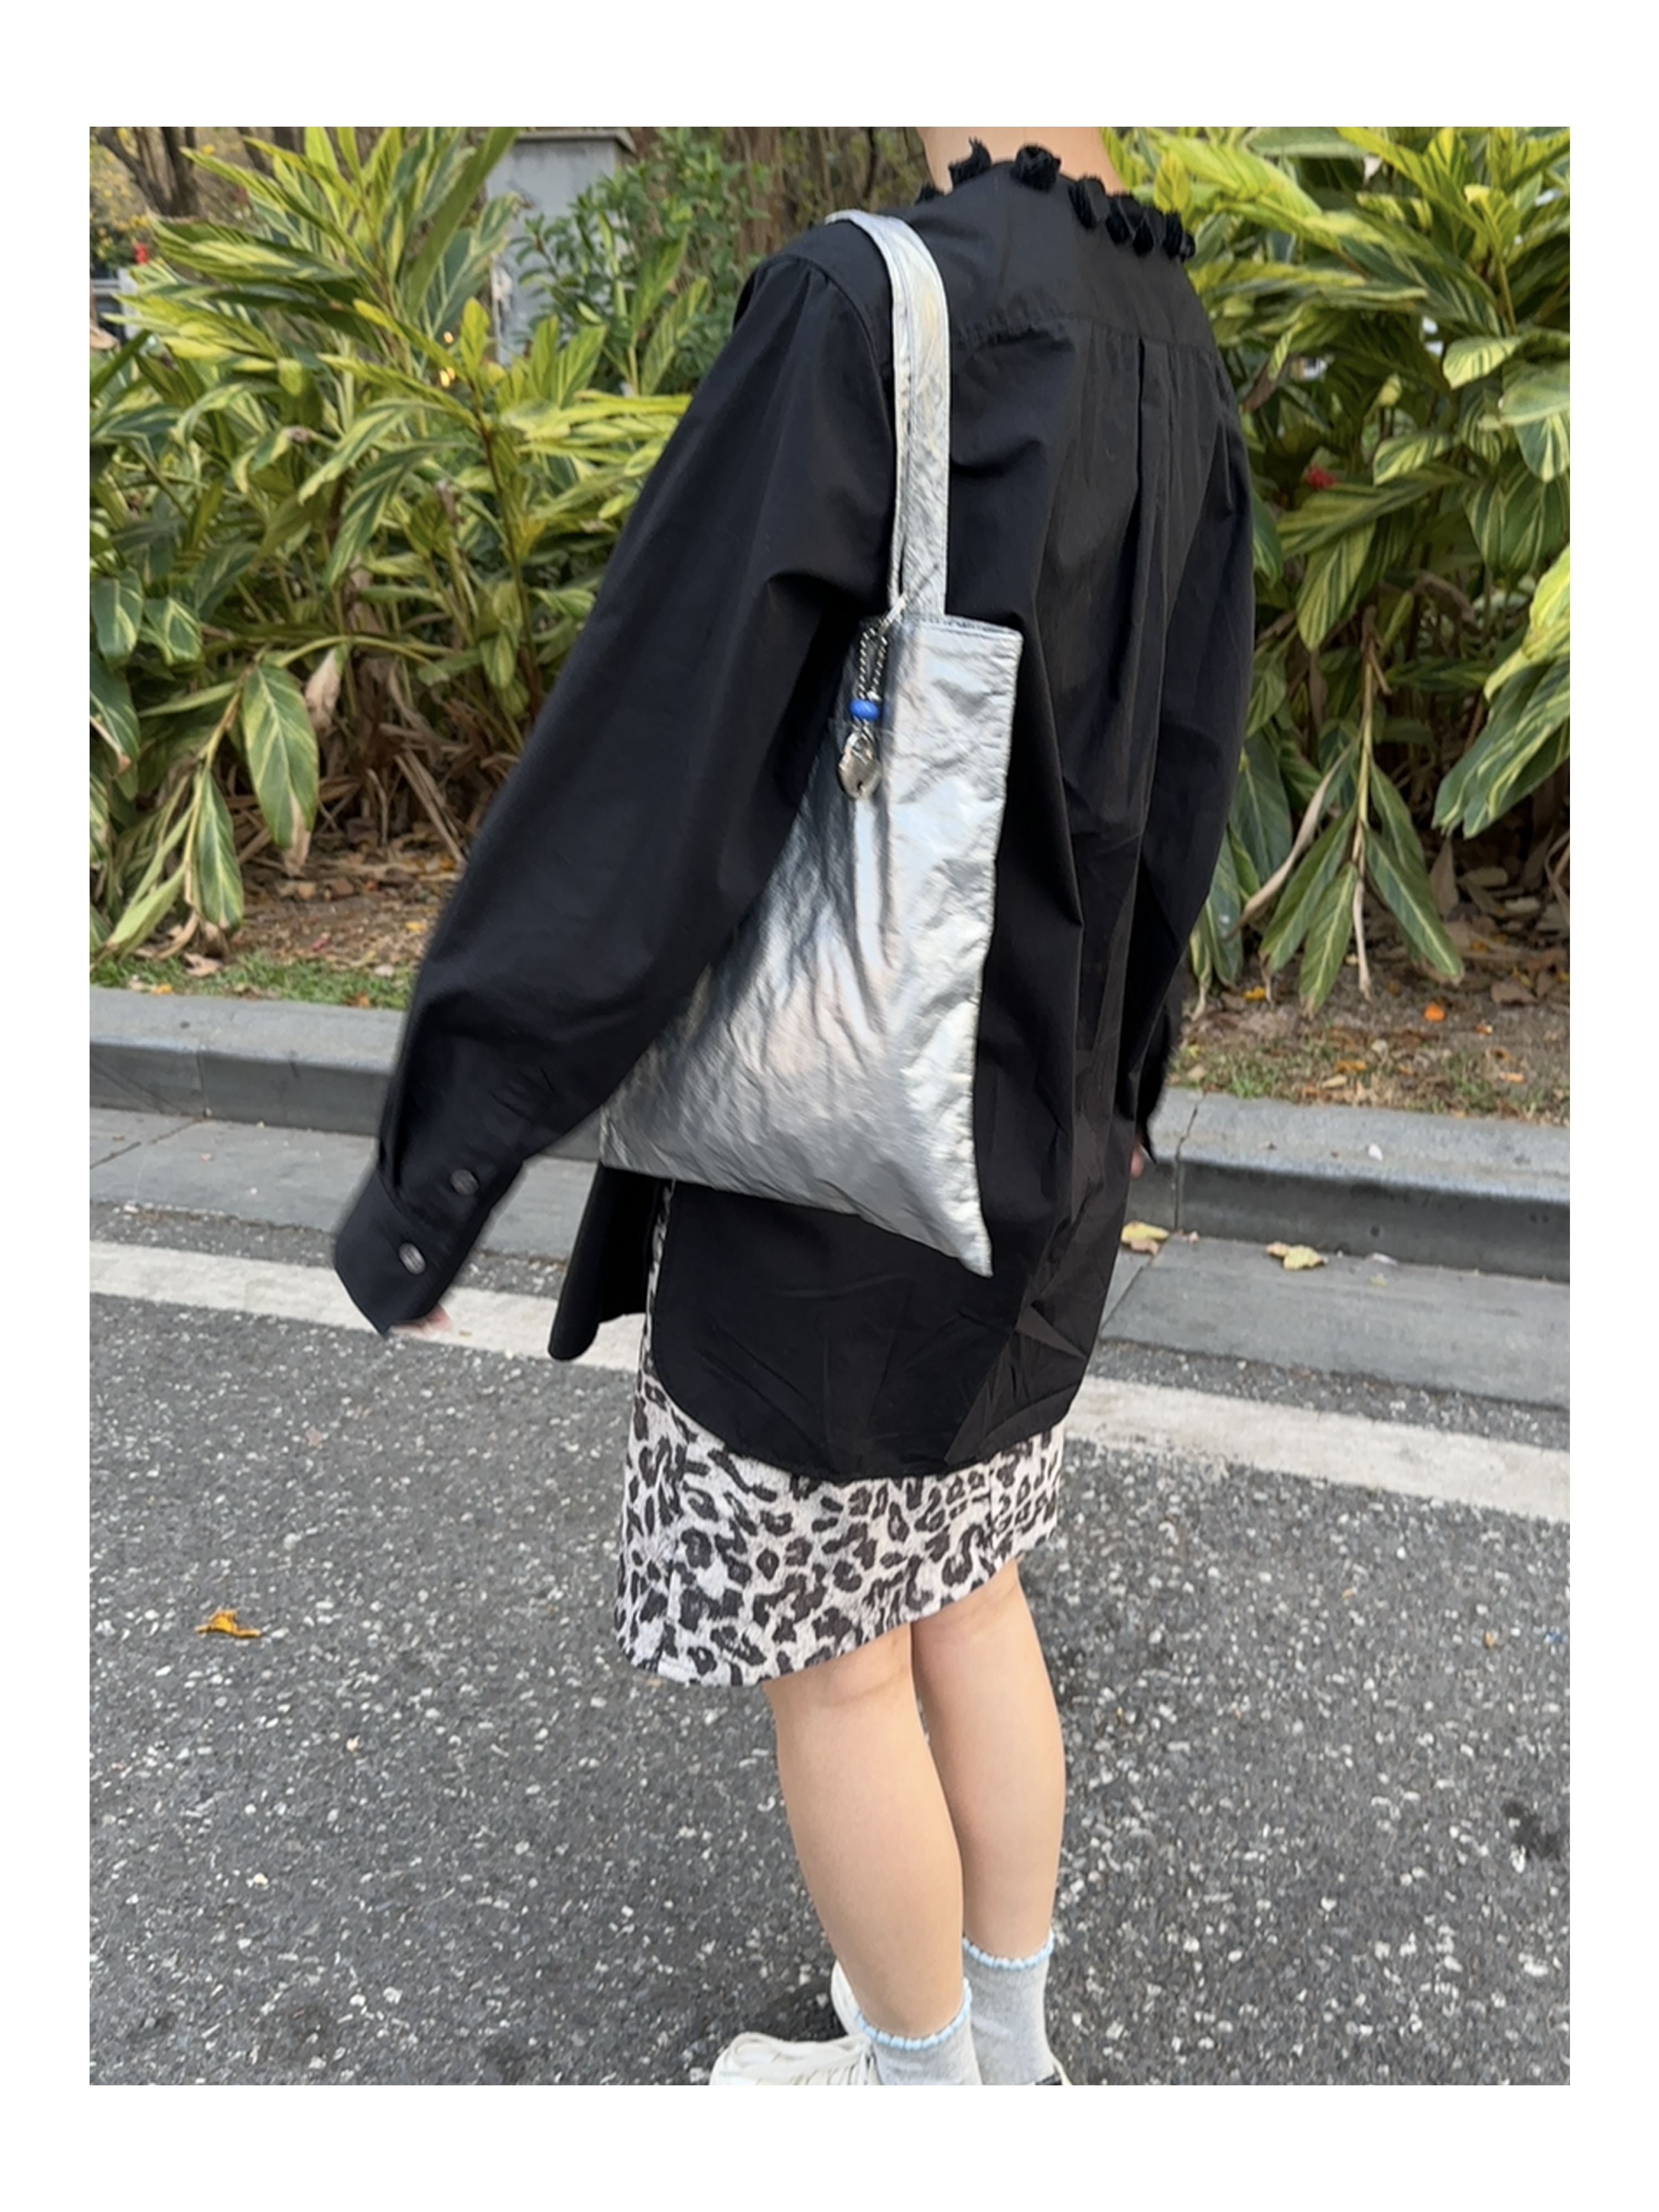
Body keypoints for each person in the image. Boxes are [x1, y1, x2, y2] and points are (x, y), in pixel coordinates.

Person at [335, 126, 1254, 2085]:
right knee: (970, 1585)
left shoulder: (865, 303)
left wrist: (445, 1156)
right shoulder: (1174, 328)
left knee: (840, 1665)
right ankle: (1010, 2064)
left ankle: (913, 2102)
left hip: (841, 1127)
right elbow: (1191, 767)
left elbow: (655, 761)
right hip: (1051, 1139)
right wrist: (1126, 1090)